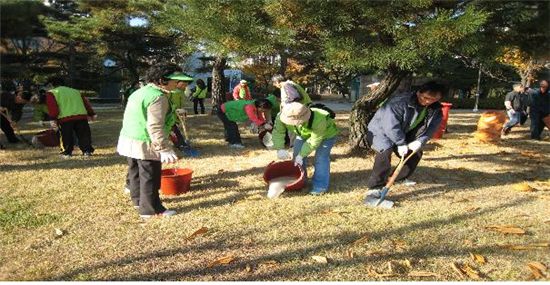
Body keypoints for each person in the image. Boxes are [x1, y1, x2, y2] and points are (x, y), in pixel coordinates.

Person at [117, 63, 189, 219]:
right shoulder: (158, 97)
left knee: (135, 172)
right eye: (175, 81)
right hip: (145, 142)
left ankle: (138, 202)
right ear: (163, 80)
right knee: (150, 175)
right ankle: (150, 209)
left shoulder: (141, 91)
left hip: (129, 139)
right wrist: (163, 148)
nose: (178, 84)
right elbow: (155, 125)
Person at [364, 81, 445, 199]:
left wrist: (420, 141)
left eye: (433, 99)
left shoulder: (436, 110)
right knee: (384, 152)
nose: (428, 101)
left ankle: (398, 178)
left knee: (415, 153)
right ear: (419, 92)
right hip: (381, 130)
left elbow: (431, 128)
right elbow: (390, 125)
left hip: (404, 131)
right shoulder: (399, 102)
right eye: (425, 97)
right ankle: (375, 187)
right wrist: (401, 143)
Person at [272, 102, 339, 195]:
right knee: (296, 156)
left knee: (320, 158)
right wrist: (280, 149)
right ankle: (301, 180)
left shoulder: (319, 119)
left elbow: (314, 141)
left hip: (326, 136)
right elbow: (278, 132)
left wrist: (302, 154)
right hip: (303, 134)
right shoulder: (281, 116)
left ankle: (320, 186)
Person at [45, 76, 96, 158]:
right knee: (84, 135)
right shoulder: (76, 91)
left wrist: (53, 118)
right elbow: (85, 103)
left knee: (66, 136)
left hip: (65, 117)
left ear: (51, 84)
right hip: (81, 115)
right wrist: (92, 113)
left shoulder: (52, 93)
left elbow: (53, 107)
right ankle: (87, 151)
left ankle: (67, 153)